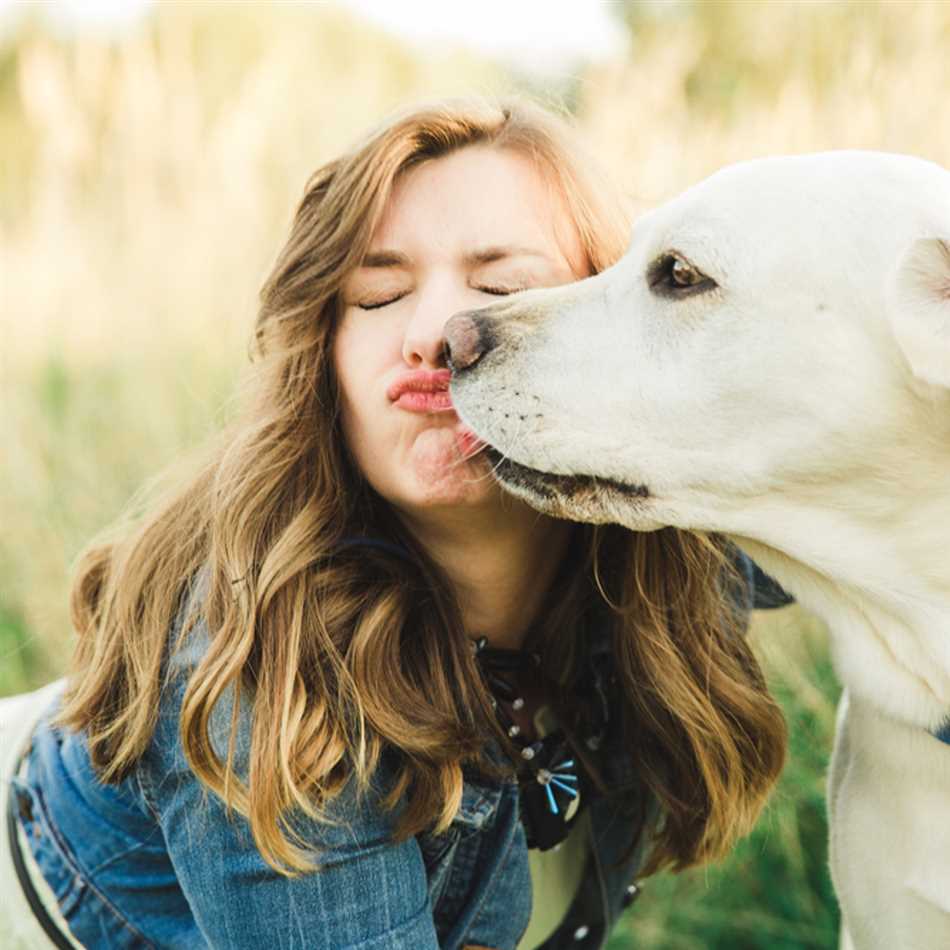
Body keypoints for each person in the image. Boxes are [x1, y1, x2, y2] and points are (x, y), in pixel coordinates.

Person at [0, 96, 789, 950]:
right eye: (376, 295)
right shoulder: (266, 678)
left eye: (502, 288)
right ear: (323, 361)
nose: (433, 334)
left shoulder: (675, 538)